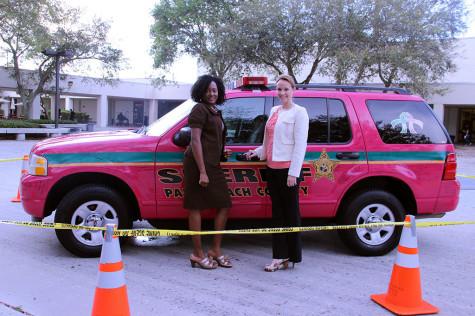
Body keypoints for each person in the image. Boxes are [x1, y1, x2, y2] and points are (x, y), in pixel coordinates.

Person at [246, 74, 309, 272]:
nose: (282, 92)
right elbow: (269, 140)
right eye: (279, 89)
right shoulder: (275, 110)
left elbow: (300, 145)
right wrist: (256, 152)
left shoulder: (300, 113)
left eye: (286, 89)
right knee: (277, 215)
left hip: (287, 172)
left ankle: (287, 257)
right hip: (272, 169)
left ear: (293, 90)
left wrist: (293, 173)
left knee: (290, 215)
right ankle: (280, 257)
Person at [184, 74, 232, 269]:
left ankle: (215, 250)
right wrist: (202, 171)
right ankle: (197, 254)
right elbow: (195, 141)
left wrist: (221, 151)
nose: (212, 93)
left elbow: (210, 139)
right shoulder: (199, 109)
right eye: (208, 90)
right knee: (195, 207)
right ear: (201, 92)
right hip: (198, 165)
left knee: (224, 204)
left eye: (215, 90)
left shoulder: (214, 111)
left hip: (212, 164)